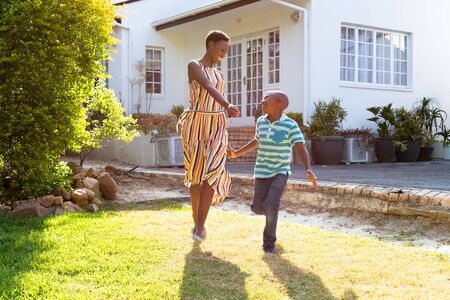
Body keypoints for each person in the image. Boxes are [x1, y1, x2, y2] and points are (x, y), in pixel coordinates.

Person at [227, 91, 317, 254]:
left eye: (266, 100)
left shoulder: (290, 124)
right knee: (257, 208)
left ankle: (269, 245)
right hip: (262, 171)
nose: (262, 102)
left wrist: (308, 168)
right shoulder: (261, 121)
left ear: (279, 103)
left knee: (270, 204)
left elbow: (300, 146)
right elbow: (256, 141)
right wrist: (236, 153)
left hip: (280, 171)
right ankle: (271, 209)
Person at [177, 30, 240, 242]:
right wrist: (228, 104)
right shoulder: (194, 65)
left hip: (217, 125)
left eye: (227, 50)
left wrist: (226, 141)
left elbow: (215, 95)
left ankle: (201, 226)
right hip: (196, 125)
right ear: (211, 45)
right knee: (196, 177)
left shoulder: (220, 74)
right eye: (222, 49)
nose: (224, 53)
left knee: (214, 171)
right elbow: (207, 86)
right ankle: (197, 225)